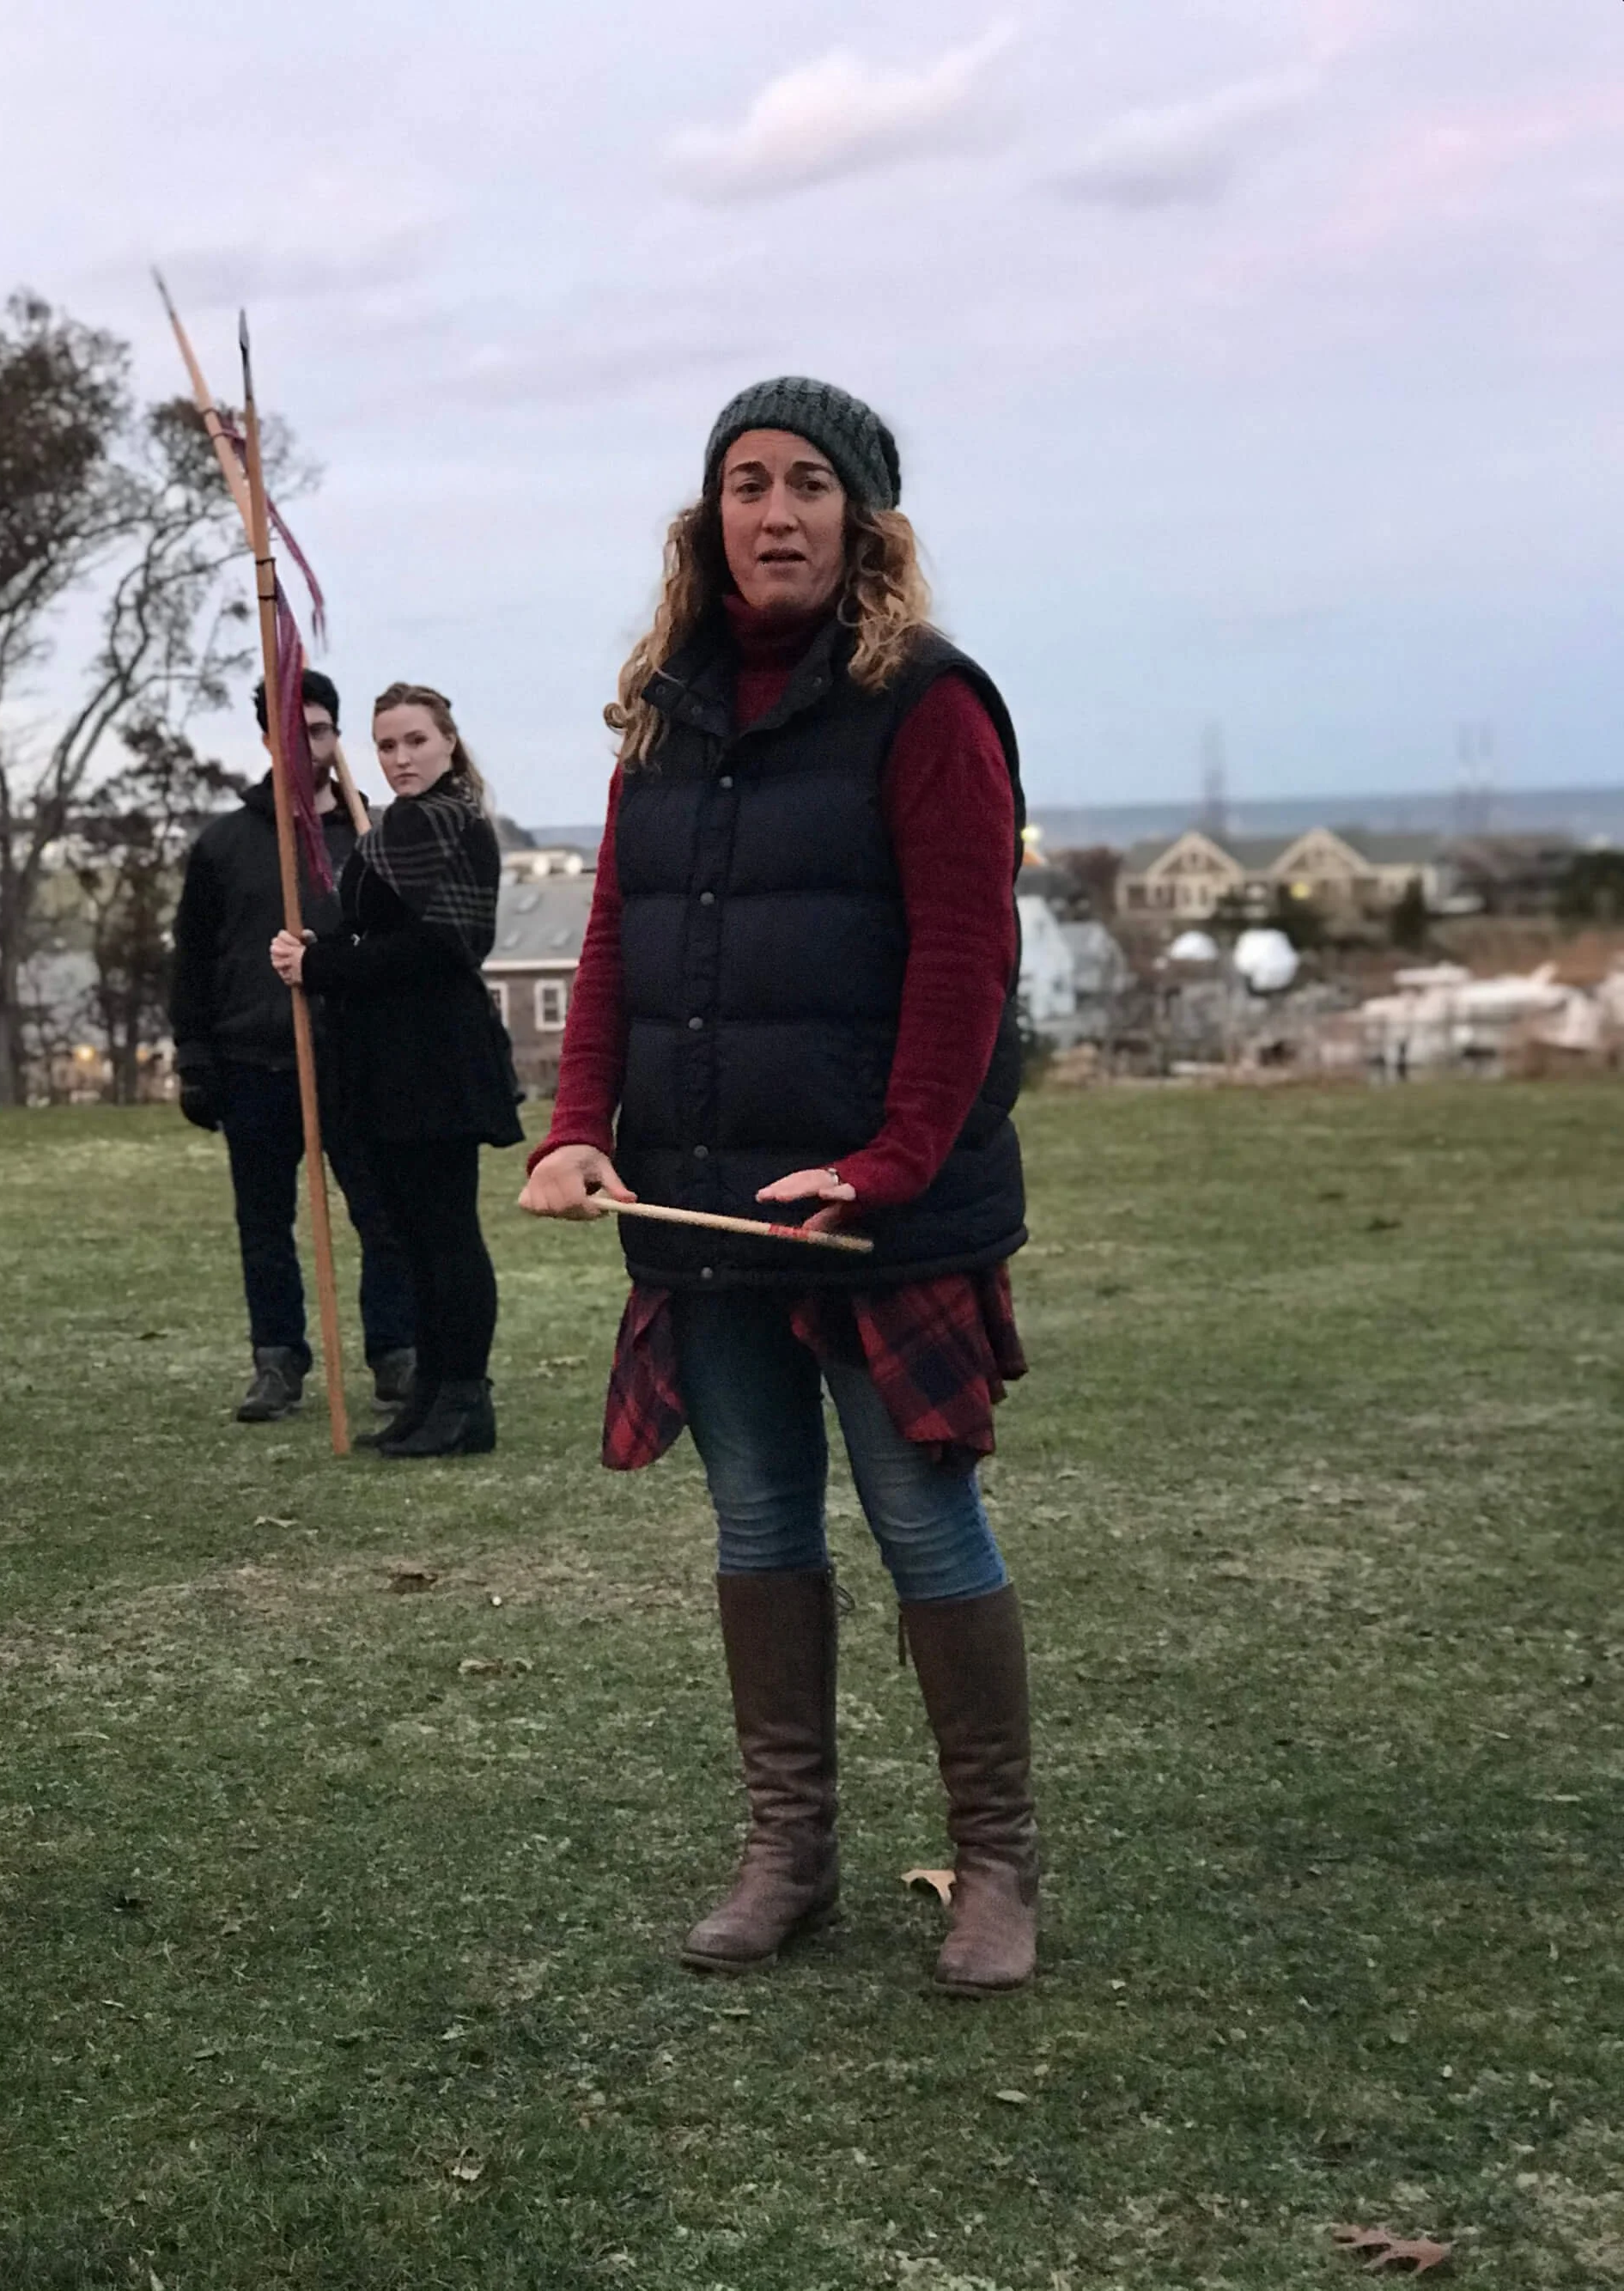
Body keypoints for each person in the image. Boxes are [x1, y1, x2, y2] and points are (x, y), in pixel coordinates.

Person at [520, 377, 1037, 1995]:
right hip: (700, 1205)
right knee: (757, 1519)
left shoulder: (932, 704)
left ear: (865, 520)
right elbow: (618, 938)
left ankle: (997, 1866)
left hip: (885, 1211)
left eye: (809, 481)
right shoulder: (665, 712)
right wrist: (573, 1122)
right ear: (710, 517)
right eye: (746, 481)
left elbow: (968, 961)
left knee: (919, 1519)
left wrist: (888, 1165)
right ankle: (788, 1851)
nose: (776, 510)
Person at [271, 683, 523, 1459]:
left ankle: (464, 1399)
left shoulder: (448, 822)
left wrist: (326, 963)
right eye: (386, 745)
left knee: (445, 1233)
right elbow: (375, 933)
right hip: (388, 1059)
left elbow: (444, 947)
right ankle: (429, 1394)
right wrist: (320, 950)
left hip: (436, 1058)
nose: (400, 758)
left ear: (448, 742)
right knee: (407, 1235)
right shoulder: (394, 828)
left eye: (415, 740)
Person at [172, 669, 418, 1423]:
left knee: (381, 1215)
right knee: (265, 1223)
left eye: (318, 729)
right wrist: (195, 1059)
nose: (307, 744)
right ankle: (276, 1359)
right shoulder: (226, 843)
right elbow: (191, 960)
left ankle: (396, 1354)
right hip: (256, 1062)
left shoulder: (375, 835)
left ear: (335, 735)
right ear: (266, 738)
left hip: (355, 1059)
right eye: (291, 729)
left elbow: (408, 951)